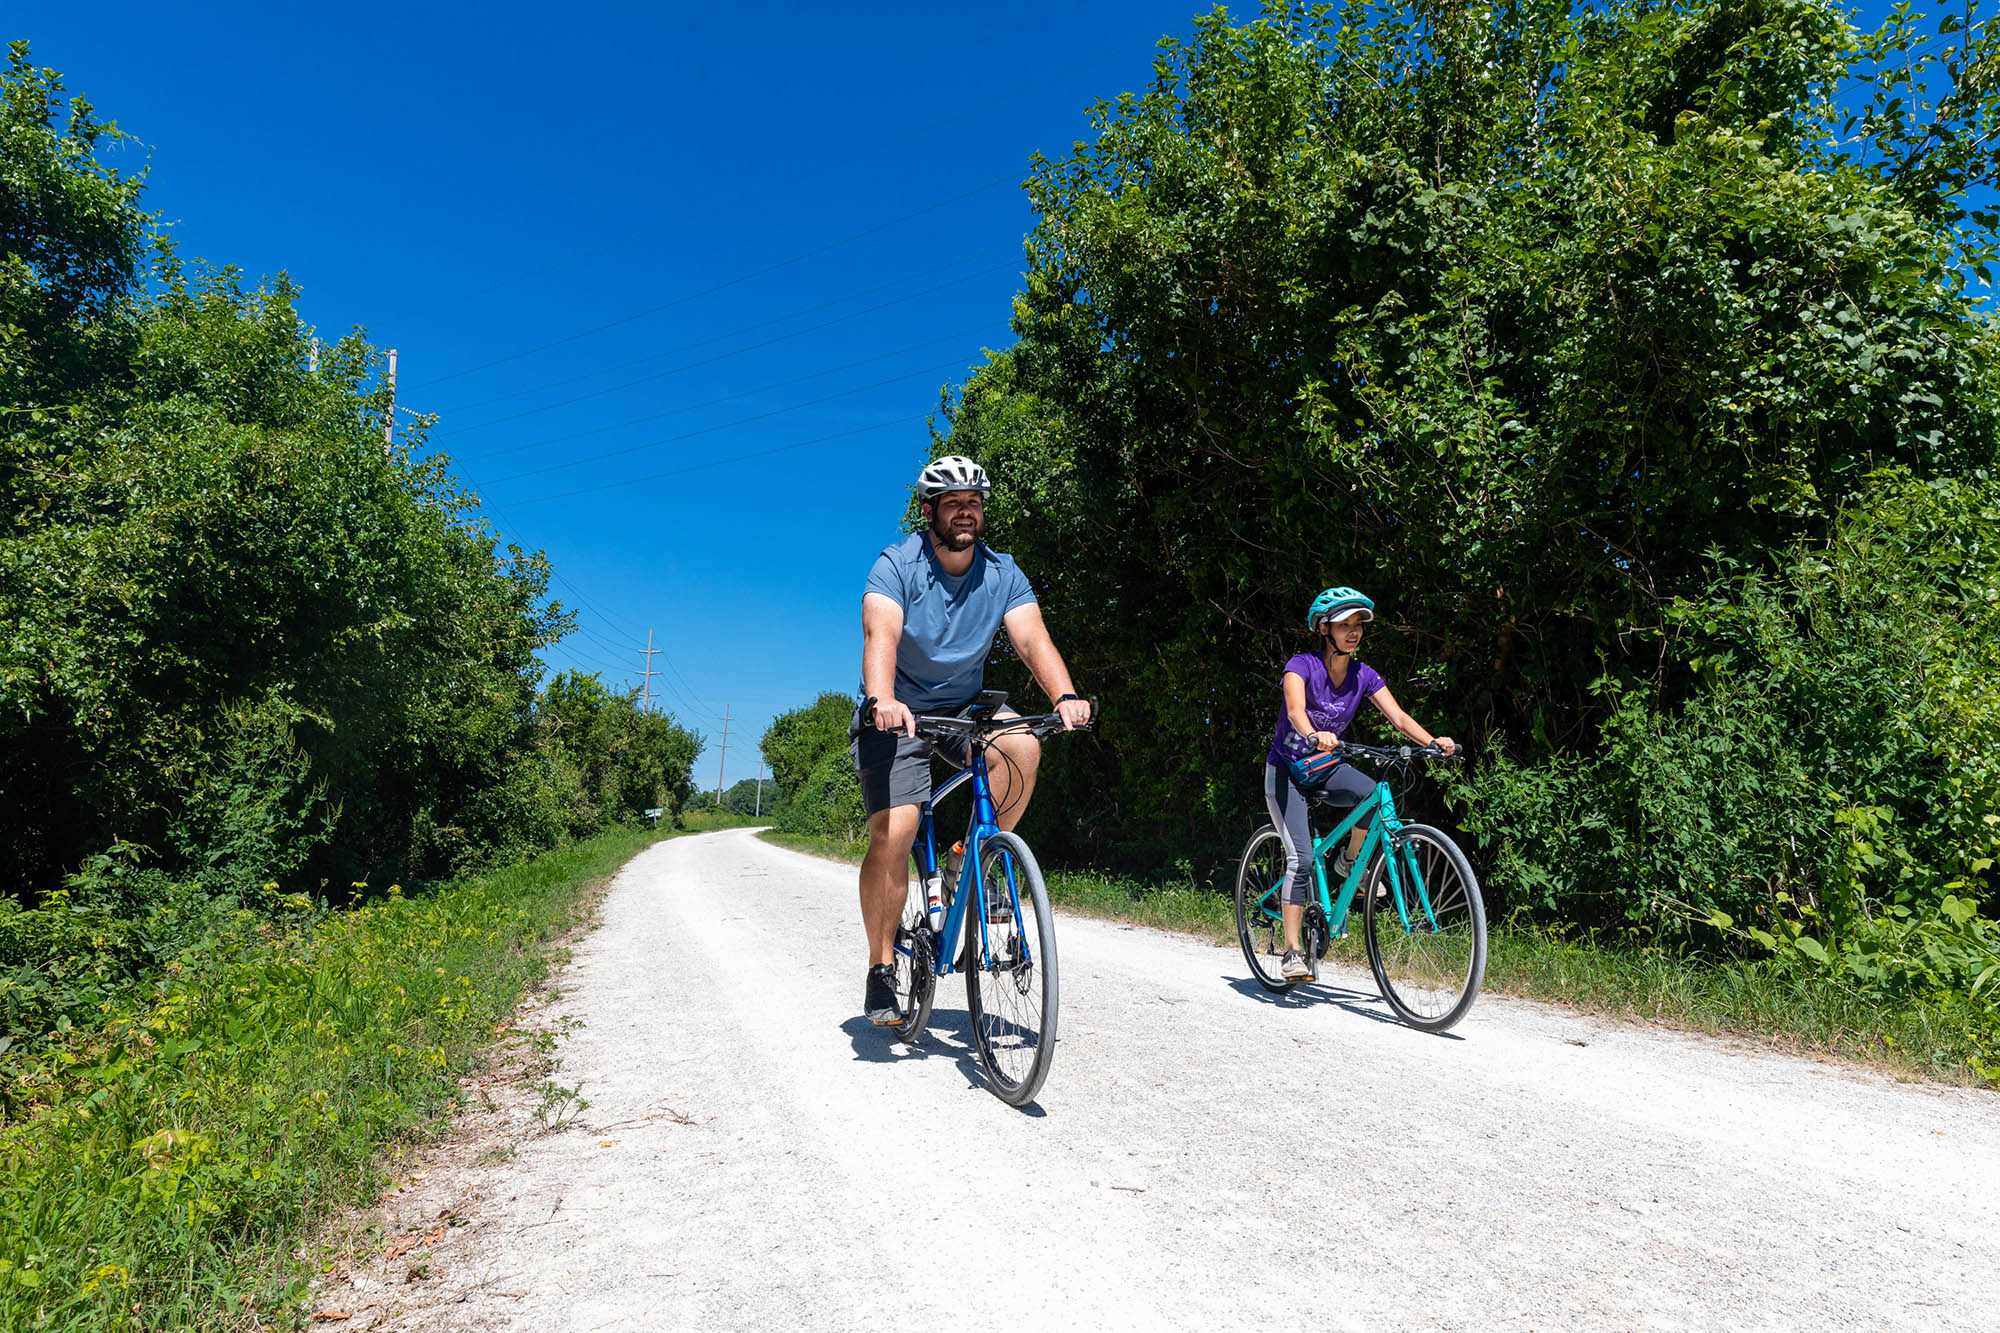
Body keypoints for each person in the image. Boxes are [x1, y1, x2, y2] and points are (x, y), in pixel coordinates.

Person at [852, 455, 1091, 1025]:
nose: (967, 512)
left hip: (964, 708)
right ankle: (881, 969)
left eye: (975, 503)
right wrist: (882, 698)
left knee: (1024, 746)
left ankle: (974, 861)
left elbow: (1033, 640)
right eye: (954, 503)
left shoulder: (1002, 572)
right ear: (929, 510)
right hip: (898, 708)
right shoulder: (897, 564)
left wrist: (1064, 697)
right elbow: (879, 632)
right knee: (899, 827)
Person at [1265, 586, 1456, 981]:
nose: (1353, 632)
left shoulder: (1363, 675)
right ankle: (1292, 951)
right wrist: (1314, 733)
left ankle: (1350, 861)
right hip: (1286, 772)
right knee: (1300, 859)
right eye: (1344, 625)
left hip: (1325, 768)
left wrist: (1432, 742)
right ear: (1324, 628)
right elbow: (1297, 710)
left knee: (1372, 794)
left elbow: (1399, 718)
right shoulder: (1300, 666)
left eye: (1358, 626)